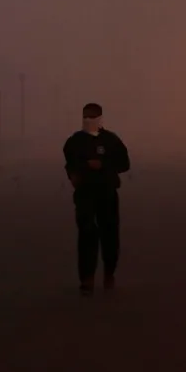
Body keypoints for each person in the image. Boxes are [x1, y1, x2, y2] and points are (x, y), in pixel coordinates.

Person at [63, 102, 131, 296]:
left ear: (100, 118)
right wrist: (78, 171)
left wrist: (103, 165)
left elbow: (124, 163)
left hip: (107, 192)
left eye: (93, 117)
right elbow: (70, 163)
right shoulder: (75, 141)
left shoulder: (111, 141)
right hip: (85, 193)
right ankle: (87, 278)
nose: (89, 120)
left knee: (109, 235)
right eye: (86, 116)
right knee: (86, 234)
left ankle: (109, 272)